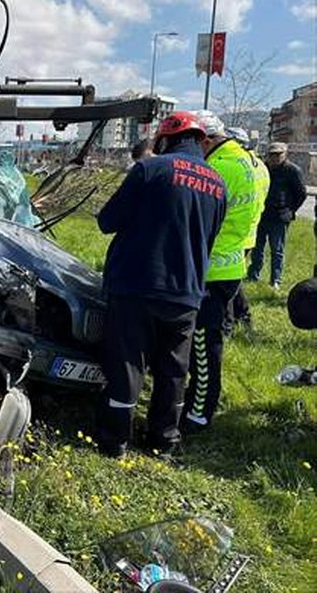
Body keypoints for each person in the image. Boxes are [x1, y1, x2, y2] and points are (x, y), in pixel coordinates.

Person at [95, 111, 226, 457]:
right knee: (173, 372)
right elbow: (209, 237)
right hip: (187, 292)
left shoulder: (151, 170)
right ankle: (163, 441)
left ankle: (115, 441)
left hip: (137, 285)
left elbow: (107, 221)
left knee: (127, 364)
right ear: (200, 141)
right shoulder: (217, 183)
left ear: (165, 140)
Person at [183, 111, 270, 430]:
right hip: (234, 262)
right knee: (209, 338)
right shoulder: (255, 164)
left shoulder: (217, 169)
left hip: (212, 268)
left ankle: (198, 413)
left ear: (206, 140)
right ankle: (197, 404)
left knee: (204, 348)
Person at [247, 142, 307, 289]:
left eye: (278, 154)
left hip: (280, 217)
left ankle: (275, 280)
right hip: (261, 214)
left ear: (285, 154)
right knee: (257, 247)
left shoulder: (292, 170)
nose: (274, 158)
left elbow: (301, 193)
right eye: (272, 154)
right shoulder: (262, 167)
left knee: (277, 249)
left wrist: (291, 210)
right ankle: (253, 274)